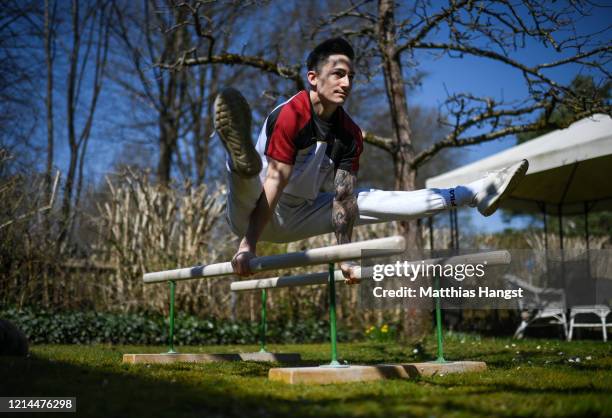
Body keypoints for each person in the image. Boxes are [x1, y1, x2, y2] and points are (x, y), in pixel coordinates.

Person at [213, 37, 528, 282]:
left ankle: (473, 193)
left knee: (364, 199)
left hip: (301, 214)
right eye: (338, 74)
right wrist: (247, 246)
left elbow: (343, 200)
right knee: (247, 178)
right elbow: (276, 181)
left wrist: (346, 255)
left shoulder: (349, 134)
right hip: (254, 211)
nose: (347, 84)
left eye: (350, 76)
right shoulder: (291, 115)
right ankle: (239, 160)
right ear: (312, 77)